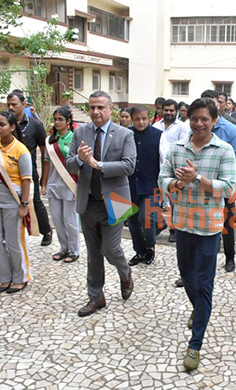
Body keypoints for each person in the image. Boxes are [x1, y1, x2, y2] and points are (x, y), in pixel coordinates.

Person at [158, 97, 236, 371]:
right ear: (187, 119)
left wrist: (198, 179)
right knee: (188, 279)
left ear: (214, 120)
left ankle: (195, 344)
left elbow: (228, 189)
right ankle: (199, 309)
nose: (199, 123)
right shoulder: (177, 148)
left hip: (209, 227)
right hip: (182, 224)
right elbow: (163, 178)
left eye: (205, 118)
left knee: (204, 283)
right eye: (194, 118)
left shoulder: (224, 150)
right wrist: (177, 182)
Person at [65, 91, 136, 317]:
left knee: (111, 249)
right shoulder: (80, 132)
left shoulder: (124, 134)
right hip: (89, 201)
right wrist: (79, 159)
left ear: (111, 109)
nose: (95, 112)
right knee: (94, 253)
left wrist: (98, 165)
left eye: (100, 108)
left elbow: (128, 166)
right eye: (92, 107)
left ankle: (125, 273)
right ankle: (96, 297)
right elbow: (69, 165)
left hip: (117, 200)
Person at [0, 111, 33, 294]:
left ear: (12, 127)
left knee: (13, 241)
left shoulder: (21, 150)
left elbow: (26, 179)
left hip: (13, 199)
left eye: (2, 124)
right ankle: (4, 277)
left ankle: (20, 277)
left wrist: (24, 205)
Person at [199, 89, 236, 273]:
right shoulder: (195, 127)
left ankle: (230, 257)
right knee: (201, 225)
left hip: (224, 186)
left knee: (227, 223)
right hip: (201, 186)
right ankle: (200, 264)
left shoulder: (231, 129)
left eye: (214, 102)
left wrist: (234, 185)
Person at [6, 90, 52, 246]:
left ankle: (46, 231)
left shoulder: (35, 125)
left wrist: (44, 180)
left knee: (35, 202)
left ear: (24, 104)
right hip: (7, 175)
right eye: (9, 105)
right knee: (8, 207)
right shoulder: (4, 124)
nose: (11, 107)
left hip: (29, 174)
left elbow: (45, 153)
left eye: (14, 104)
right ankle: (5, 241)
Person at [40, 108, 80, 264]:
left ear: (68, 121)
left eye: (60, 119)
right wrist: (43, 184)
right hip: (54, 184)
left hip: (70, 184)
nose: (57, 122)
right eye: (55, 119)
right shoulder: (50, 141)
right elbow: (47, 164)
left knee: (70, 220)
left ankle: (74, 250)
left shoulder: (75, 138)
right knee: (57, 219)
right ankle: (63, 248)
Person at [127, 105, 163, 266]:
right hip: (129, 185)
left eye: (144, 118)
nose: (141, 122)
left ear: (149, 118)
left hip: (151, 185)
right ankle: (139, 251)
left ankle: (150, 248)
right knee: (132, 220)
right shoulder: (127, 135)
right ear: (132, 119)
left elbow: (164, 161)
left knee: (146, 218)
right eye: (137, 119)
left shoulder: (159, 136)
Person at [155, 99, 190, 243]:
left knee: (175, 200)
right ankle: (160, 223)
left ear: (176, 111)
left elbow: (183, 147)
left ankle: (174, 229)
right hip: (158, 166)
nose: (168, 113)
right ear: (162, 110)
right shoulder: (156, 126)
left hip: (175, 168)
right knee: (158, 198)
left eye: (171, 110)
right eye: (166, 110)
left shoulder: (182, 127)